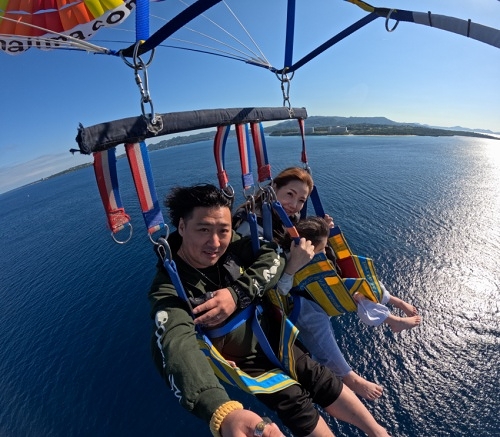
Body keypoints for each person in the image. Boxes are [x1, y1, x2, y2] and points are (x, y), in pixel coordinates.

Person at [149, 183, 390, 437]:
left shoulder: (232, 246)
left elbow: (273, 256)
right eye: (203, 229)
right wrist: (221, 411)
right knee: (294, 402)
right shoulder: (169, 288)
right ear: (182, 227)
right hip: (245, 360)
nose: (215, 242)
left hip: (271, 332)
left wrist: (237, 294)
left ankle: (379, 433)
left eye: (223, 230)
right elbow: (175, 345)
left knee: (319, 377)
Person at [233, 167, 385, 401]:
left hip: (291, 278)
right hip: (264, 293)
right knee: (314, 316)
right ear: (274, 189)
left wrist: (321, 229)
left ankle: (385, 306)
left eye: (301, 200)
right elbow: (269, 287)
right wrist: (293, 266)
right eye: (290, 194)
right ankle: (347, 376)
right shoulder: (252, 229)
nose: (294, 205)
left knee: (346, 275)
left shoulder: (284, 217)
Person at [280, 216, 421, 333]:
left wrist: (324, 227)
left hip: (330, 281)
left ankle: (398, 302)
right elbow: (282, 289)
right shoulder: (297, 261)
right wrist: (292, 267)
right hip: (319, 295)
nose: (324, 251)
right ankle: (396, 321)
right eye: (321, 249)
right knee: (360, 299)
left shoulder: (317, 254)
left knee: (364, 281)